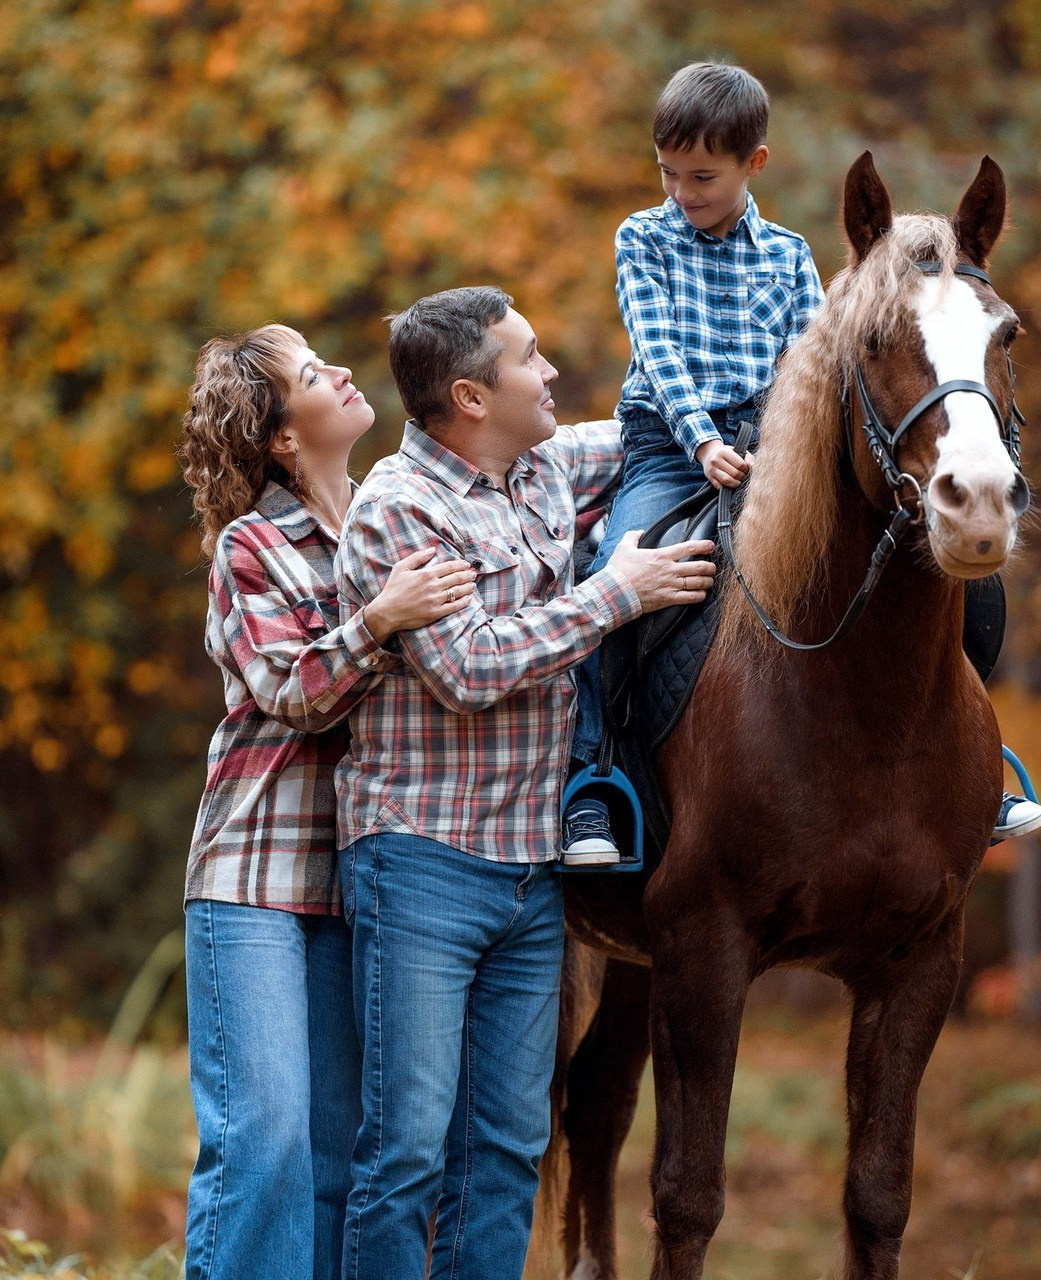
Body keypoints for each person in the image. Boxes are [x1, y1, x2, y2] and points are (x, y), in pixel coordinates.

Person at [564, 60, 1041, 863]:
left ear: (754, 164)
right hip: (670, 444)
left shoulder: (789, 255)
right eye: (669, 173)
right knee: (622, 571)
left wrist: (777, 450)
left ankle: (973, 766)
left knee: (974, 591)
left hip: (770, 445)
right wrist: (702, 440)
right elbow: (657, 350)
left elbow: (811, 362)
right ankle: (596, 778)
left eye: (703, 176)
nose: (683, 191)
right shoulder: (641, 238)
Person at [331, 286, 716, 1280]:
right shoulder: (396, 506)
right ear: (469, 393)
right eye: (529, 358)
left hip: (530, 876)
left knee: (505, 1145)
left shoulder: (547, 465)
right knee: (408, 1150)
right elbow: (466, 669)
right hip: (420, 863)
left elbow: (642, 429)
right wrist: (611, 596)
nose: (550, 374)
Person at [178, 324, 476, 1280]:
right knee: (264, 1144)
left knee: (342, 1155)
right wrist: (383, 618)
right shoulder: (250, 546)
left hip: (366, 882)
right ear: (278, 437)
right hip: (256, 875)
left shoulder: (396, 518)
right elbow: (295, 693)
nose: (344, 372)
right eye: (313, 374)